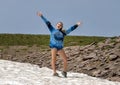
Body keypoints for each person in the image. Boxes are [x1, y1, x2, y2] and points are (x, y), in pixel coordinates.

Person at [37, 11, 81, 78]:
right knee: (54, 59)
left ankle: (64, 72)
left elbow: (70, 29)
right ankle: (54, 72)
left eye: (60, 25)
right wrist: (41, 16)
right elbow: (47, 23)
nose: (59, 25)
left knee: (65, 60)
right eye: (58, 24)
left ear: (61, 27)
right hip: (53, 46)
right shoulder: (52, 30)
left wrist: (76, 25)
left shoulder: (64, 33)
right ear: (56, 25)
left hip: (60, 47)